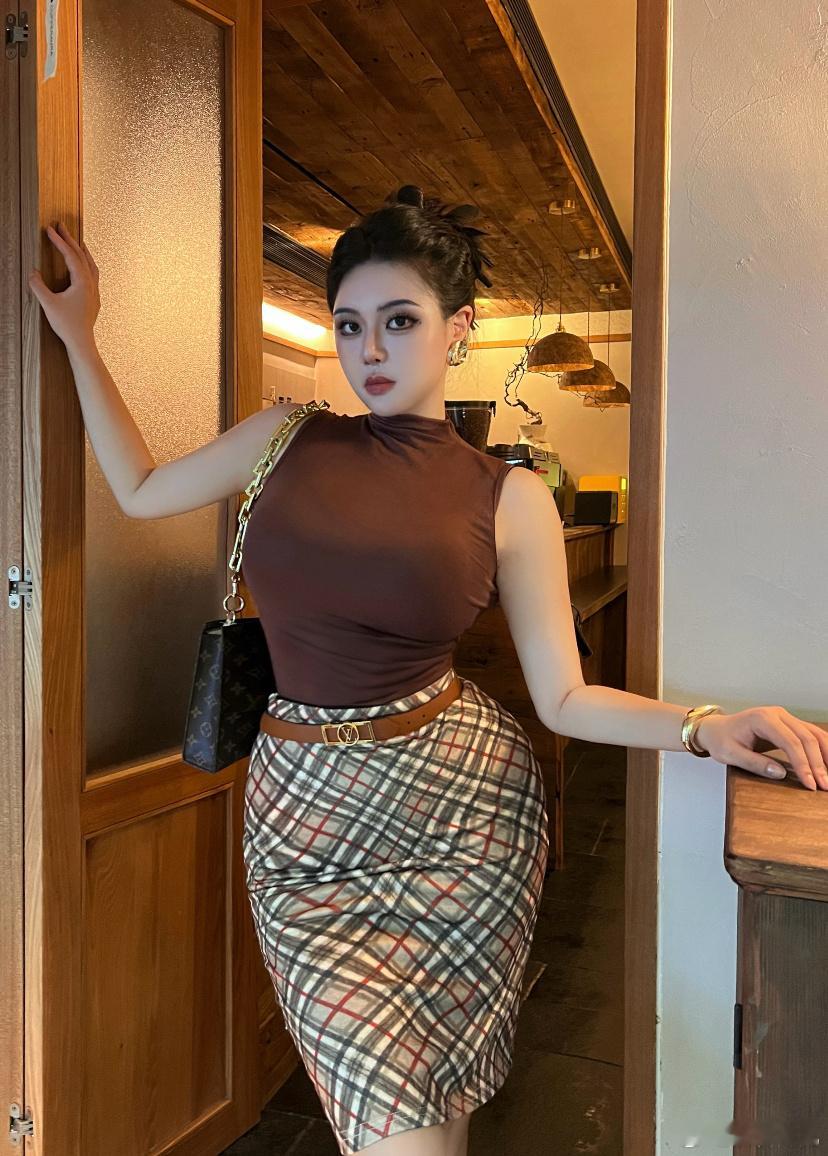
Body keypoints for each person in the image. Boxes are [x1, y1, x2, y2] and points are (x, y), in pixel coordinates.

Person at [29, 185, 828, 1156]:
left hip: (459, 817)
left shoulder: (509, 495)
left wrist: (707, 726)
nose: (370, 349)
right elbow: (141, 488)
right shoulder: (282, 437)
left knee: (432, 1113)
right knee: (388, 1117)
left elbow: (564, 696)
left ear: (459, 328)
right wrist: (82, 338)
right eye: (350, 324)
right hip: (302, 828)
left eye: (400, 321)